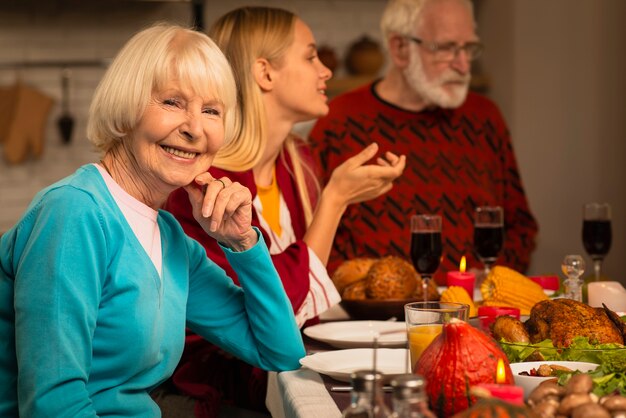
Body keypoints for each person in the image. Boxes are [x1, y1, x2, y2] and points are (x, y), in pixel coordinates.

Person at [0, 23, 305, 417]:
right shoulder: (74, 213)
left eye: (211, 111)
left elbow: (280, 351)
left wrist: (243, 242)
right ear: (127, 106)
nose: (194, 128)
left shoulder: (170, 238)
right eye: (173, 103)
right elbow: (52, 405)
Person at [163, 6, 406, 416]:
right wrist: (335, 201)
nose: (325, 70)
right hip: (222, 389)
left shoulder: (298, 163)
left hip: (281, 366)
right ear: (265, 73)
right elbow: (271, 307)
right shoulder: (207, 184)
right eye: (311, 56)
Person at [309, 0, 538, 284]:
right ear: (400, 49)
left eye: (468, 47)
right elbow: (309, 233)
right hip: (368, 320)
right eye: (446, 48)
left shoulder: (485, 118)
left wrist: (495, 280)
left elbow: (521, 227)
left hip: (475, 311)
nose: (463, 64)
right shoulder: (340, 121)